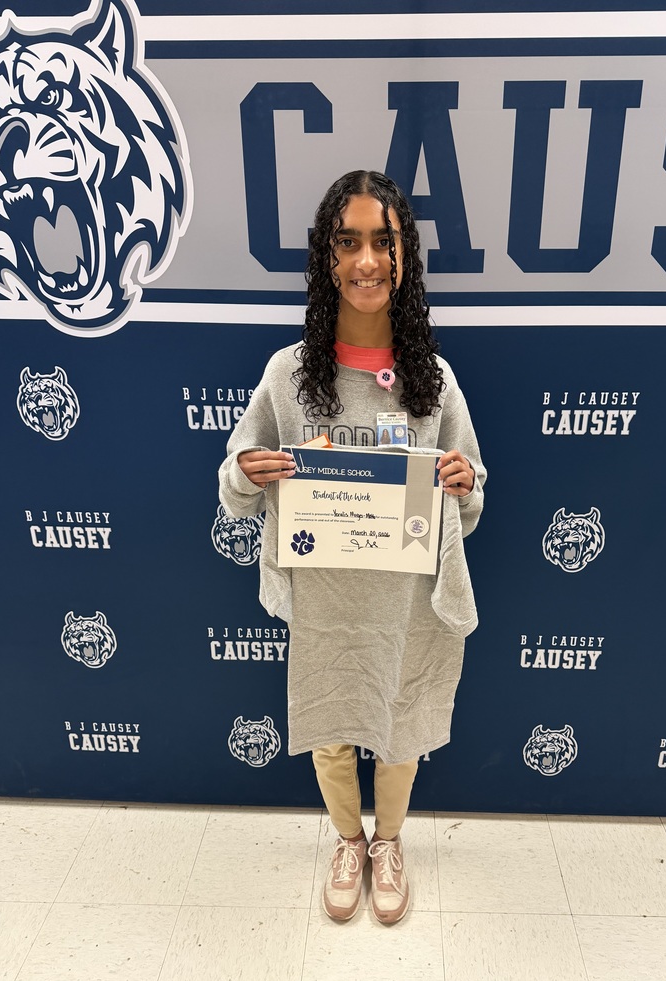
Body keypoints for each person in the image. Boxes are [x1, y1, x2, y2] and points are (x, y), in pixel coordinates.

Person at [219, 170, 485, 925]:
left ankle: (389, 842)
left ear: (405, 258)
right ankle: (346, 839)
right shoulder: (286, 377)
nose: (367, 260)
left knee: (400, 720)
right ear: (326, 259)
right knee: (334, 721)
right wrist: (245, 471)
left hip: (407, 600)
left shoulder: (434, 380)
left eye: (383, 242)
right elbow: (236, 483)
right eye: (349, 242)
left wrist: (465, 483)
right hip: (329, 598)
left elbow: (471, 500)